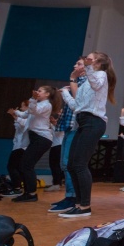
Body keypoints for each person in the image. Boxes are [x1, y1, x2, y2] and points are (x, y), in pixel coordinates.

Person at [59, 52, 116, 217]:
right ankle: (78, 204)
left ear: (97, 61)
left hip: (93, 122)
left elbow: (96, 84)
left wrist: (89, 68)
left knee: (79, 164)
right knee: (71, 165)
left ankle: (85, 206)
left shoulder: (101, 75)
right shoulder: (86, 82)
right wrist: (65, 91)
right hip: (84, 122)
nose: (85, 60)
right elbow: (76, 106)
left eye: (89, 58)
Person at [48, 57, 87, 213]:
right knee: (65, 164)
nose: (75, 65)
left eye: (79, 64)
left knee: (69, 163)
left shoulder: (85, 83)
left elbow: (77, 104)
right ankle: (69, 196)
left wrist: (66, 91)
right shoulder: (77, 83)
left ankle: (73, 197)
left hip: (77, 127)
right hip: (70, 127)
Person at [12, 86, 62, 202]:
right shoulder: (38, 104)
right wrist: (15, 112)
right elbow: (26, 114)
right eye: (37, 91)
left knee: (26, 165)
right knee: (24, 164)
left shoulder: (46, 105)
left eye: (40, 91)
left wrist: (33, 99)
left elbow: (33, 110)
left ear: (47, 94)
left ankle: (31, 194)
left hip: (42, 139)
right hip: (37, 138)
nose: (37, 92)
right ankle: (28, 192)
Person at [3, 100, 29, 197]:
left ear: (27, 107)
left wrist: (15, 115)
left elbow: (23, 125)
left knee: (12, 166)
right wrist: (15, 116)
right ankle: (21, 188)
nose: (21, 108)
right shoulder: (22, 118)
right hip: (18, 145)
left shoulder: (28, 118)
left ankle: (17, 188)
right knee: (18, 168)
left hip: (21, 146)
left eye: (22, 106)